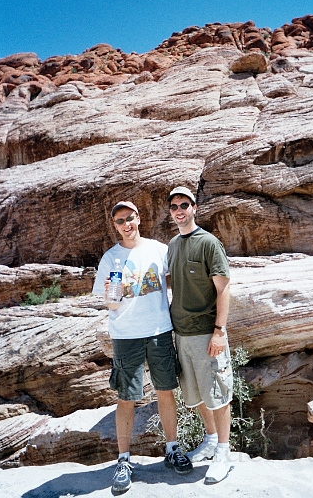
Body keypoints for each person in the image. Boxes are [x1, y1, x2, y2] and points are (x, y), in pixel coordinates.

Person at [92, 200, 192, 492]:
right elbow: (111, 303)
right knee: (127, 397)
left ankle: (172, 449)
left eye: (130, 218)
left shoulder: (158, 250)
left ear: (139, 218)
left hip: (159, 330)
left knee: (165, 391)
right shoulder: (111, 258)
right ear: (115, 226)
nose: (126, 224)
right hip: (126, 335)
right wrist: (114, 292)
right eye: (120, 221)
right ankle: (124, 460)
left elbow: (177, 278)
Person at [166, 186, 234, 484]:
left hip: (207, 333)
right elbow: (174, 281)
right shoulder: (173, 245)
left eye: (184, 204)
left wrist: (219, 331)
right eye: (174, 206)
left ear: (194, 208)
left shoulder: (208, 243)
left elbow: (224, 288)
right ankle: (210, 440)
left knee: (217, 394)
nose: (179, 210)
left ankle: (223, 453)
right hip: (182, 334)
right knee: (197, 395)